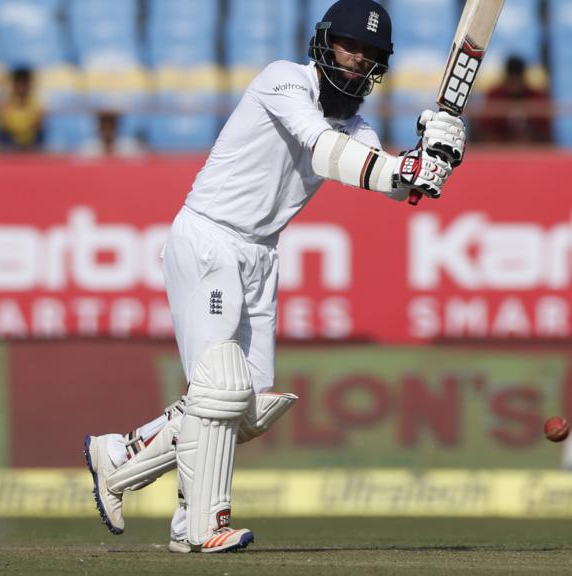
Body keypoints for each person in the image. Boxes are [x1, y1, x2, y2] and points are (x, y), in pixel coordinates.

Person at [84, 0, 466, 554]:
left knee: (250, 405)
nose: (357, 61)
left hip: (261, 255)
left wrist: (435, 160)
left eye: (370, 55)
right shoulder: (282, 81)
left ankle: (121, 457)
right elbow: (323, 148)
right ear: (324, 42)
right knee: (221, 389)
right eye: (349, 46)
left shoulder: (355, 126)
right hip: (210, 236)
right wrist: (405, 166)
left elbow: (392, 184)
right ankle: (202, 525)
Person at [475, 55, 552, 143]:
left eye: (517, 79)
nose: (515, 84)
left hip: (530, 150)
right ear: (506, 78)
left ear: (523, 78)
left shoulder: (536, 97)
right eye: (512, 79)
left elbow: (545, 133)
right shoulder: (494, 95)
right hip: (498, 150)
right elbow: (484, 131)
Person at [0, 67, 44, 151]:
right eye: (19, 83)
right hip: (9, 141)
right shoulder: (4, 103)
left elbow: (36, 125)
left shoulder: (36, 103)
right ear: (13, 84)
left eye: (24, 83)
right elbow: (5, 126)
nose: (21, 87)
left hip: (31, 142)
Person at [79, 109, 144, 157]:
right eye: (103, 123)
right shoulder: (87, 148)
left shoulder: (129, 147)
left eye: (111, 123)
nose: (107, 127)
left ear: (117, 125)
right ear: (98, 125)